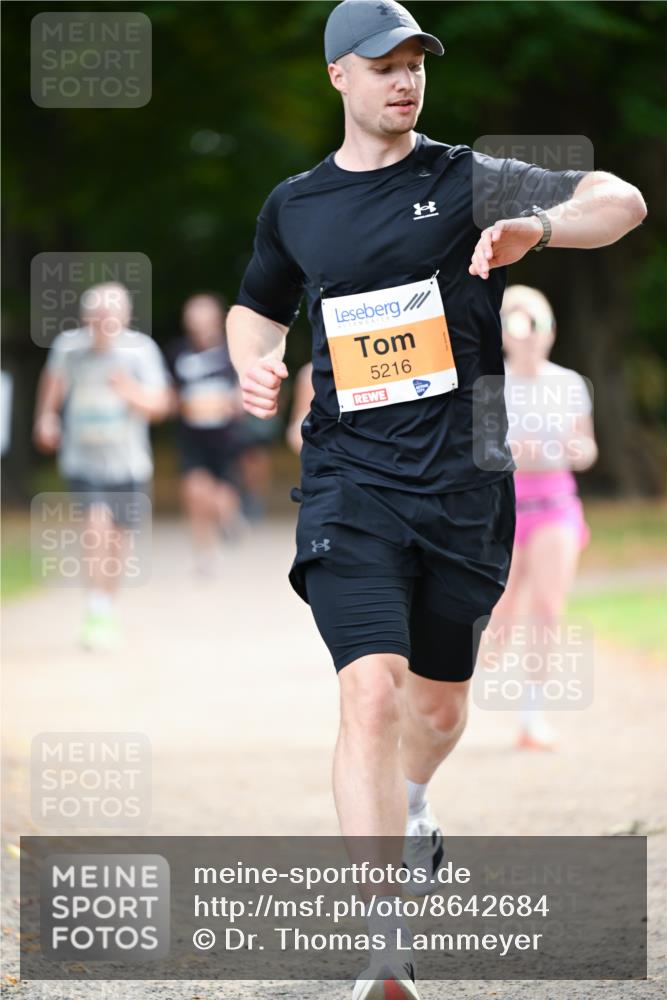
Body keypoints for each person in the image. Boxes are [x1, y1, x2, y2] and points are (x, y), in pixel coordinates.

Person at [226, 1, 647, 995]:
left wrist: (535, 226)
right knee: (367, 689)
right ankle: (381, 938)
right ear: (339, 76)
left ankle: (415, 800)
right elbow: (256, 305)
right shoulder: (296, 204)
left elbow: (620, 199)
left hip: (463, 487)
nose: (404, 80)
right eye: (382, 64)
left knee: (440, 707)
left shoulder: (468, 177)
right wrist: (255, 364)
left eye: (416, 62)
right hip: (348, 481)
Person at [486, 284, 597, 751]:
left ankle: (532, 717)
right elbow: (482, 454)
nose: (530, 333)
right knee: (500, 614)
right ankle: (448, 698)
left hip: (555, 507)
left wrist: (575, 451)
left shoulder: (569, 384)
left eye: (538, 322)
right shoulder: (492, 386)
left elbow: (588, 450)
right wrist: (511, 454)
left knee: (547, 610)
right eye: (518, 322)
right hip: (506, 511)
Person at [33, 282, 170, 650]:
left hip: (128, 463)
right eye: (95, 316)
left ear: (124, 317)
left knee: (119, 541)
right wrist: (46, 417)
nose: (102, 323)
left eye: (109, 316)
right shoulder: (69, 347)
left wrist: (130, 392)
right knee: (96, 526)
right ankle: (95, 608)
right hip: (82, 458)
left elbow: (161, 406)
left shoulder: (141, 351)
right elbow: (54, 381)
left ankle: (107, 605)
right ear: (85, 317)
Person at [164, 293, 246, 575]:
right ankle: (205, 553)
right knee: (194, 493)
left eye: (204, 321)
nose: (199, 328)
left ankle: (229, 516)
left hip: (225, 438)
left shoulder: (232, 353)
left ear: (216, 321)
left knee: (222, 496)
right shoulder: (178, 353)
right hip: (191, 437)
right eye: (193, 322)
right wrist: (180, 403)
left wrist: (234, 402)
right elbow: (170, 393)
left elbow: (244, 391)